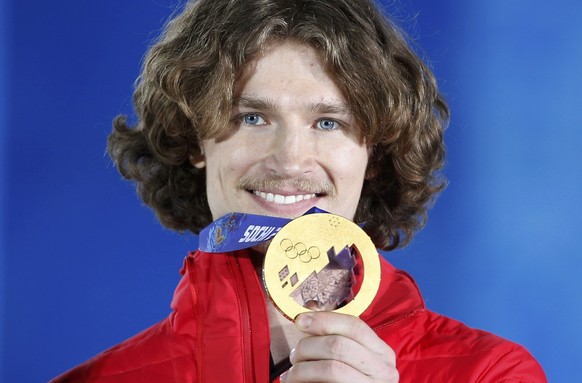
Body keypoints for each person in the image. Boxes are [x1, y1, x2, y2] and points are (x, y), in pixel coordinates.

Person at [52, 0, 547, 382]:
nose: (289, 159)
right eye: (252, 117)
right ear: (194, 140)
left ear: (373, 153)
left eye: (328, 122)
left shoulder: (491, 373)